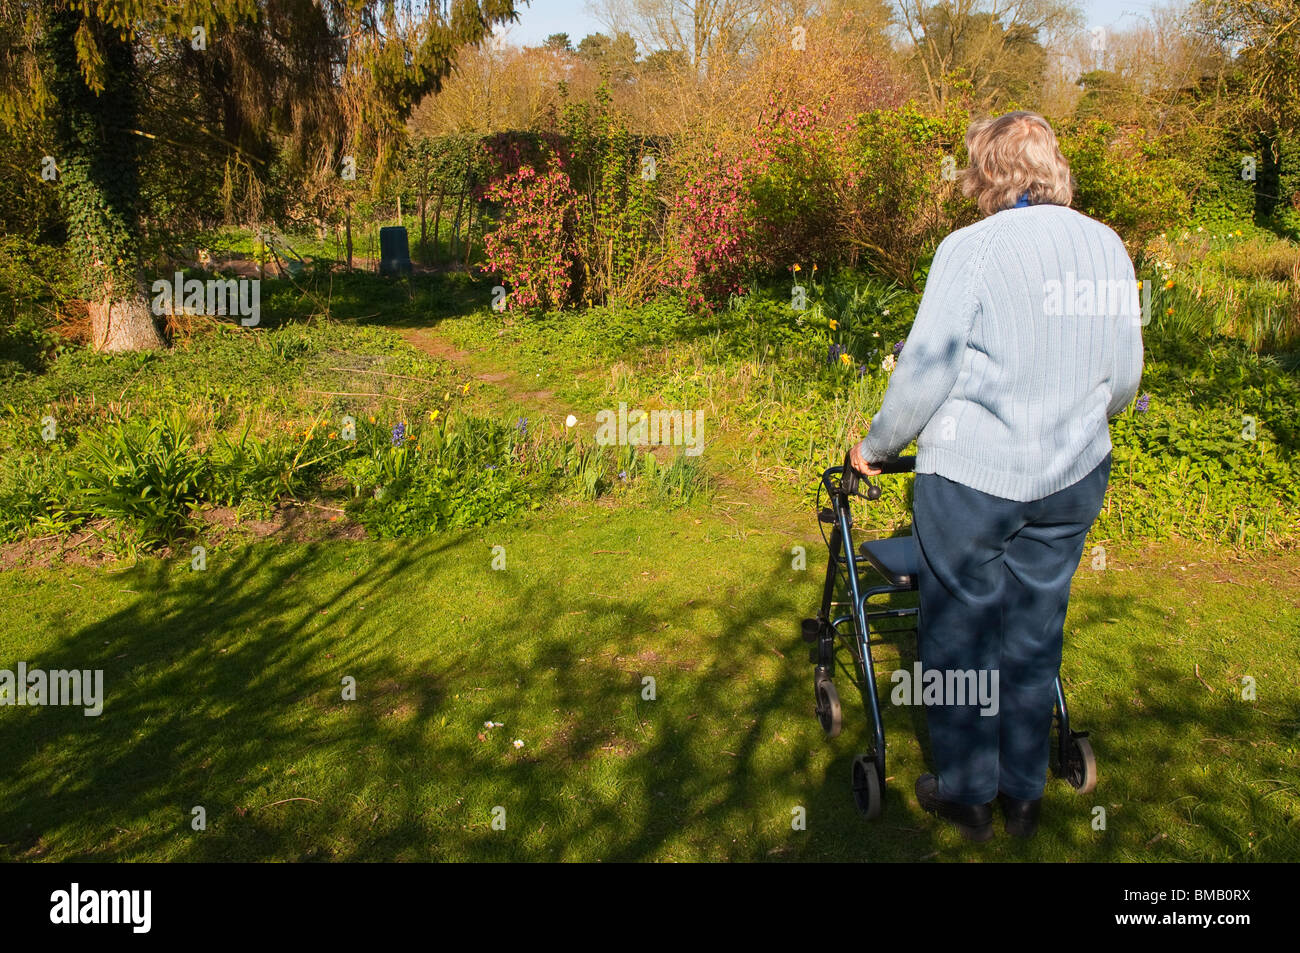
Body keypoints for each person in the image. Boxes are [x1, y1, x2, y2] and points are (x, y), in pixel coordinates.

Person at [849, 111, 1144, 841]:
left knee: (957, 629)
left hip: (975, 477)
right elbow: (1126, 376)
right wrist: (1078, 416)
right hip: (1073, 473)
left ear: (988, 172)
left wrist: (879, 445)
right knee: (1034, 625)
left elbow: (925, 367)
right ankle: (1023, 791)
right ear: (1052, 169)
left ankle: (967, 791)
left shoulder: (971, 249)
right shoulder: (1106, 245)